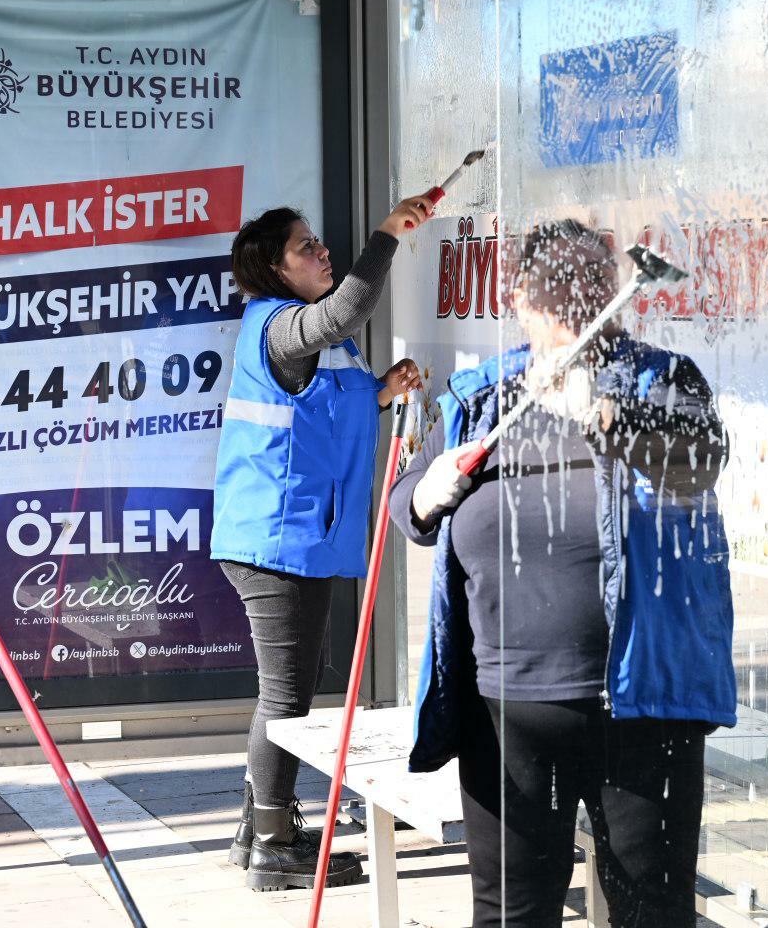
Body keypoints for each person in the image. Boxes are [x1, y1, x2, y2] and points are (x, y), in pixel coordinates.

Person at [389, 220, 737, 928]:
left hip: (642, 708)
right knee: (512, 915)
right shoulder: (481, 398)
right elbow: (407, 505)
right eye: (554, 287)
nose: (573, 302)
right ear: (519, 299)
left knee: (653, 914)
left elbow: (702, 461)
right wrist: (425, 496)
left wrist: (608, 415)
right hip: (506, 713)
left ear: (614, 291)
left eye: (589, 283)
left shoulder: (662, 381)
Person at [212, 195, 431, 891]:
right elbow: (344, 310)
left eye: (319, 243)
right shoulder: (282, 327)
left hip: (292, 536)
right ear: (274, 269)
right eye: (307, 247)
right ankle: (275, 845)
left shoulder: (308, 341)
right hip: (277, 542)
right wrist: (387, 236)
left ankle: (259, 830)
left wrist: (380, 395)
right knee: (287, 700)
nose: (323, 253)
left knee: (286, 692)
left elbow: (320, 415)